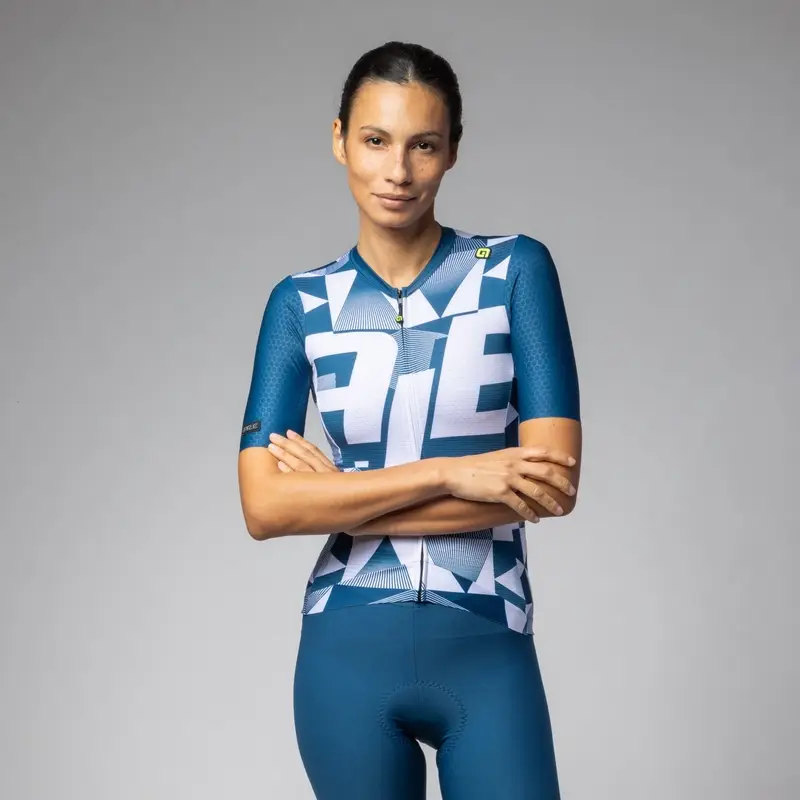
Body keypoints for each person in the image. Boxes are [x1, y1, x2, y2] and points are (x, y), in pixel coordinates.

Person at [237, 40, 582, 800]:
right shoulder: (300, 305)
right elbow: (264, 508)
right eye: (375, 140)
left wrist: (338, 498)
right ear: (339, 140)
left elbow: (551, 486)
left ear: (452, 150)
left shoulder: (514, 272)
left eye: (423, 144)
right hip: (343, 651)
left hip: (488, 642)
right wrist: (456, 474)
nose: (397, 170)